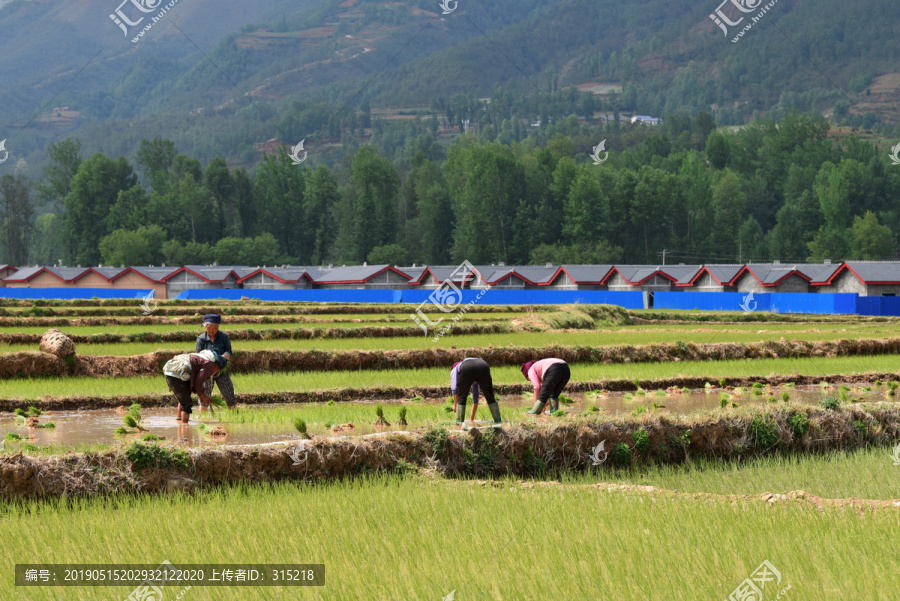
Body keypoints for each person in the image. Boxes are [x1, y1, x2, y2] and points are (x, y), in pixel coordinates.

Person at [163, 351, 227, 423]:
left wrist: (201, 396)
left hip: (171, 371)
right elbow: (198, 382)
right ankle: (184, 428)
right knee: (187, 404)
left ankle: (180, 421)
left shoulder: (202, 358)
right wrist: (204, 396)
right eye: (217, 370)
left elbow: (196, 381)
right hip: (177, 373)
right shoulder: (210, 366)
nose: (215, 372)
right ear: (216, 365)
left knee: (184, 400)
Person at [195, 314, 237, 409]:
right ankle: (203, 418)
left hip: (221, 369)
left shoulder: (224, 337)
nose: (211, 330)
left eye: (214, 328)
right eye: (209, 328)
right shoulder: (201, 339)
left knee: (229, 394)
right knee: (204, 396)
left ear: (218, 327)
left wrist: (220, 359)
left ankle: (234, 416)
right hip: (206, 372)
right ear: (205, 326)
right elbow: (199, 355)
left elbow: (228, 351)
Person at [451, 357, 502, 427]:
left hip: (467, 368)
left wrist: (455, 405)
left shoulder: (455, 368)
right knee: (490, 396)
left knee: (462, 398)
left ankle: (459, 424)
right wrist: (471, 419)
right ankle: (498, 421)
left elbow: (454, 388)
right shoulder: (474, 367)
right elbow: (475, 397)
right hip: (483, 365)